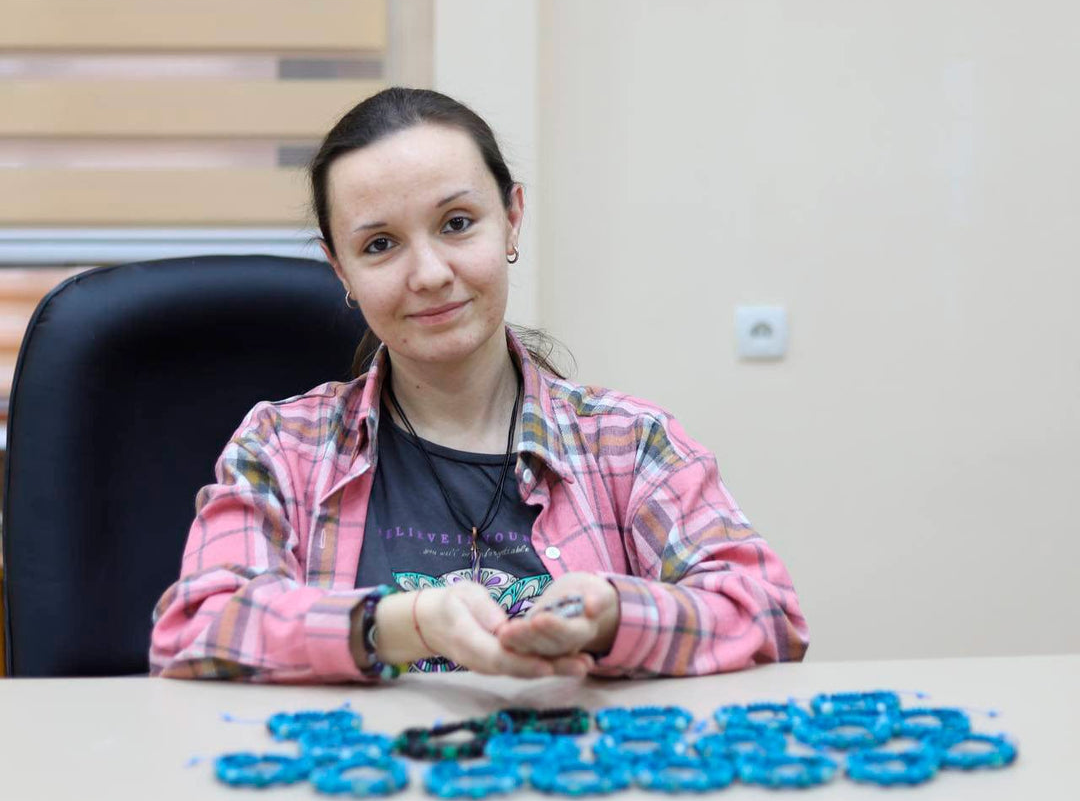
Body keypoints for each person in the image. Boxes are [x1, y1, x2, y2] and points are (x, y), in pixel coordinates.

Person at [150, 87, 808, 682]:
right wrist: (401, 625)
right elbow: (193, 632)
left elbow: (767, 612)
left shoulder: (630, 443)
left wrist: (614, 614)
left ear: (512, 216)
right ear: (340, 269)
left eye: (457, 223)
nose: (431, 273)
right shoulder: (281, 446)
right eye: (380, 245)